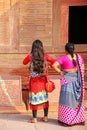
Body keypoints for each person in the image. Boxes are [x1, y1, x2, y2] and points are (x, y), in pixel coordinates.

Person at [23, 39, 56, 123]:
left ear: (33, 47)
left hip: (34, 82)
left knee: (34, 99)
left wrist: (29, 56)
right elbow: (55, 61)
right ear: (42, 47)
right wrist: (48, 67)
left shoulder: (30, 56)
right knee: (44, 99)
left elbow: (24, 62)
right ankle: (45, 117)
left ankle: (34, 118)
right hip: (43, 81)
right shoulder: (45, 56)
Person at [52, 42, 85, 126]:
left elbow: (54, 65)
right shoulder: (79, 58)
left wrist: (61, 72)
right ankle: (77, 119)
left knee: (67, 101)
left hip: (67, 82)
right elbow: (82, 70)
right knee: (75, 101)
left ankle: (67, 120)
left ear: (65, 50)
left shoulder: (63, 58)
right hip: (77, 81)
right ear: (73, 49)